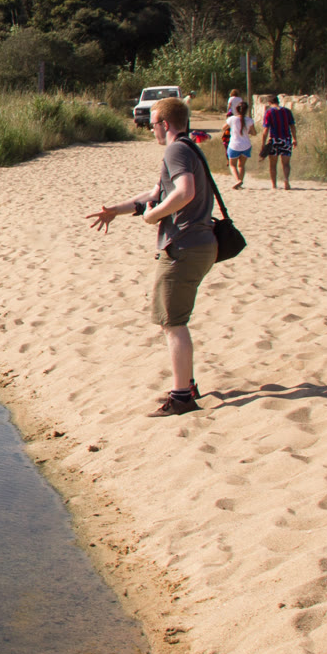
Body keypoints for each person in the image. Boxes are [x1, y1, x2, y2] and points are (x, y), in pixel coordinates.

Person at [86, 95, 218, 416]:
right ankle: (186, 383)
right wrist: (116, 210)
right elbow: (155, 194)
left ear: (165, 124)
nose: (150, 129)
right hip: (201, 244)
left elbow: (184, 192)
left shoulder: (175, 150)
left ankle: (182, 397)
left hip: (184, 246)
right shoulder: (189, 148)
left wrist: (154, 216)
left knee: (172, 322)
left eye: (152, 123)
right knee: (173, 320)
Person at [260, 94, 296, 189]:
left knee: (273, 165)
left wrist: (263, 144)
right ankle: (286, 179)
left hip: (274, 140)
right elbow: (292, 126)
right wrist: (294, 139)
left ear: (269, 102)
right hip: (286, 139)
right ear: (278, 101)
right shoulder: (287, 111)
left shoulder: (269, 112)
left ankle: (274, 185)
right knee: (286, 163)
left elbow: (266, 130)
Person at [224, 98, 254, 189]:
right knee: (241, 165)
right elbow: (254, 132)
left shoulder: (232, 119)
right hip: (246, 145)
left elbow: (224, 127)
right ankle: (240, 182)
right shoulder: (249, 120)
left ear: (237, 109)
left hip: (234, 145)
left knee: (232, 165)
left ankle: (238, 180)